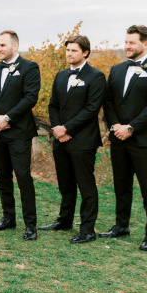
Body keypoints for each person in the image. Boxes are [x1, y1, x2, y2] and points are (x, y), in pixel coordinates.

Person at [101, 25, 147, 251]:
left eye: (132, 42)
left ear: (146, 44)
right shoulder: (117, 69)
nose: (127, 46)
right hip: (119, 138)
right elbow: (109, 101)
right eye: (126, 42)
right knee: (121, 185)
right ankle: (121, 226)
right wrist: (114, 126)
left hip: (146, 140)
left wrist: (131, 127)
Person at [40, 35, 106, 243]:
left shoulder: (96, 76)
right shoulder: (60, 75)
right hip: (60, 139)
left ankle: (87, 230)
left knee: (86, 185)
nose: (69, 54)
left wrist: (67, 128)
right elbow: (53, 105)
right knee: (65, 183)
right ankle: (64, 220)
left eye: (74, 51)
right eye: (67, 50)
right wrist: (57, 129)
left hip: (83, 140)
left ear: (85, 52)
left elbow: (91, 109)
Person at [0, 30, 41, 240]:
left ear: (15, 46)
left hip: (18, 133)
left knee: (23, 177)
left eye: (2, 45)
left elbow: (30, 98)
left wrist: (7, 118)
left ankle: (30, 225)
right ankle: (8, 218)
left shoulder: (29, 67)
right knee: (2, 177)